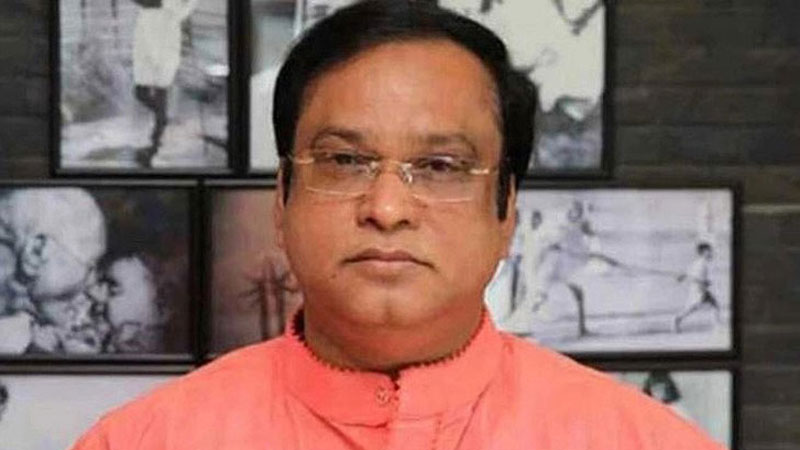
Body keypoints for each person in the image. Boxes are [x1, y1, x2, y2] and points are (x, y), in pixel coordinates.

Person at [71, 2, 725, 449]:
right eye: (344, 161)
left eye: (440, 167)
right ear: (282, 199)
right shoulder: (140, 441)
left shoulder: (645, 441)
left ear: (507, 211)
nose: (386, 208)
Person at [132, 0, 200, 167]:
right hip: (149, 41)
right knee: (141, 92)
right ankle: (161, 125)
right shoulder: (147, 12)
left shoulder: (171, 12)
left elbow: (189, 5)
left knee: (157, 94)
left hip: (164, 44)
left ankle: (155, 147)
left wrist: (172, 7)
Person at [674, 241, 722, 332]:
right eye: (709, 251)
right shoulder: (701, 264)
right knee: (693, 308)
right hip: (698, 290)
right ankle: (678, 319)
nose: (711, 253)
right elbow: (697, 279)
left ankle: (717, 326)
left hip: (701, 289)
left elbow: (687, 273)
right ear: (704, 252)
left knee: (715, 305)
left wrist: (682, 277)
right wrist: (705, 282)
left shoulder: (698, 262)